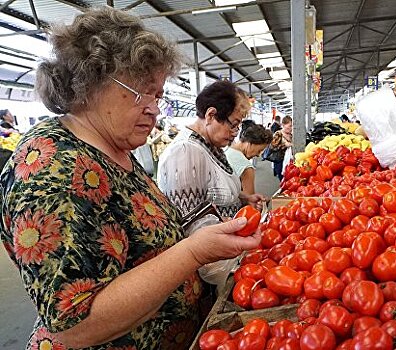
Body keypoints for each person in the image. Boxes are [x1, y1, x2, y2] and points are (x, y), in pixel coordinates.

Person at [0, 8, 260, 350]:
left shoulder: (114, 147)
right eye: (142, 91)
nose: (154, 108)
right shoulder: (51, 169)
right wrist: (193, 252)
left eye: (158, 95)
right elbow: (77, 325)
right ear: (90, 81)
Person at [157, 80, 266, 218]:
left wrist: (244, 198)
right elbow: (190, 222)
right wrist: (227, 226)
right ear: (211, 115)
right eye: (233, 124)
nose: (235, 132)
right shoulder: (185, 153)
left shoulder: (211, 146)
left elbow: (211, 193)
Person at [225, 123, 273, 195]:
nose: (258, 155)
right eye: (259, 150)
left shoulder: (226, 152)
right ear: (250, 143)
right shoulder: (246, 167)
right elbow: (250, 199)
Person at [271, 115, 293, 180]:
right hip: (279, 160)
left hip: (288, 160)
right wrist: (283, 144)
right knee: (282, 178)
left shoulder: (290, 135)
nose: (291, 128)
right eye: (289, 126)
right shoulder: (278, 134)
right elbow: (272, 146)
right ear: (283, 125)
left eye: (292, 126)